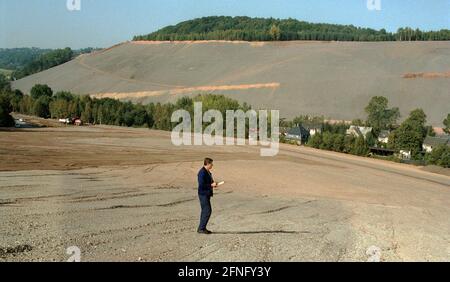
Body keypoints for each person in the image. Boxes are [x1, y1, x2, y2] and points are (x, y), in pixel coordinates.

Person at [197, 157, 218, 234]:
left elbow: (209, 182)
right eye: (211, 164)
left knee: (205, 211)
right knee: (207, 211)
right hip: (203, 194)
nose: (212, 165)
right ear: (208, 164)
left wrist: (213, 184)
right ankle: (201, 228)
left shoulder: (207, 172)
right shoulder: (202, 172)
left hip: (206, 194)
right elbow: (202, 185)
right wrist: (211, 185)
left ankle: (202, 228)